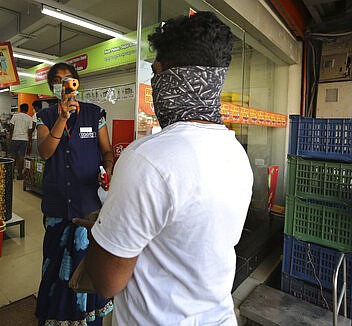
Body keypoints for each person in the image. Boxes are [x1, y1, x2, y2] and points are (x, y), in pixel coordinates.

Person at [74, 12, 254, 325]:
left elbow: (107, 283)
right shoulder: (235, 152)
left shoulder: (147, 158)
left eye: (155, 73)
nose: (154, 85)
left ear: (169, 78)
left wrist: (104, 232)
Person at [35, 62, 114, 325]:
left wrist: (109, 170)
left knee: (87, 269)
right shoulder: (45, 117)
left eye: (69, 78)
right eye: (58, 80)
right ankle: (54, 318)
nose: (64, 83)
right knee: (54, 267)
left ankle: (86, 319)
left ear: (77, 83)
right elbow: (45, 151)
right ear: (52, 87)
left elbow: (107, 152)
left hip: (87, 207)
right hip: (57, 207)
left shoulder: (95, 114)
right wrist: (62, 118)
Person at [8, 103, 33, 180]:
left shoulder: (15, 116)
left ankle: (11, 174)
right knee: (21, 157)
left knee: (13, 156)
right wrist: (29, 142)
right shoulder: (29, 118)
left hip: (15, 138)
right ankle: (19, 174)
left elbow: (11, 127)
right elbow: (30, 131)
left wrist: (10, 137)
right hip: (24, 139)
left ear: (20, 109)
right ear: (27, 110)